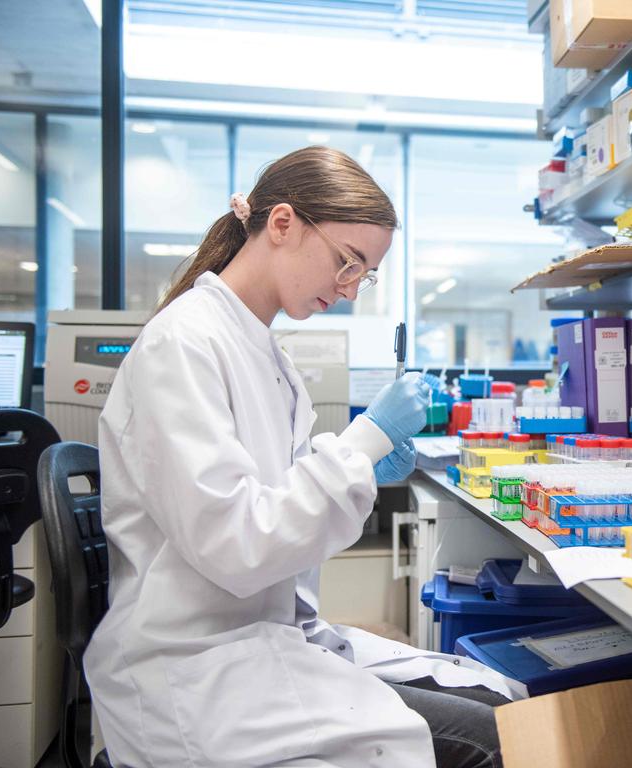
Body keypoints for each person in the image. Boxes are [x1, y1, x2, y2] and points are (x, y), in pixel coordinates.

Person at [84, 146, 525, 768]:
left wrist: (359, 464)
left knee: (496, 694)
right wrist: (365, 440)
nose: (349, 290)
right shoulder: (183, 345)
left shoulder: (263, 352)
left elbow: (269, 499)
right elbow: (237, 544)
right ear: (283, 224)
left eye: (363, 275)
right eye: (348, 263)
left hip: (260, 640)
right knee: (489, 741)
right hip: (194, 672)